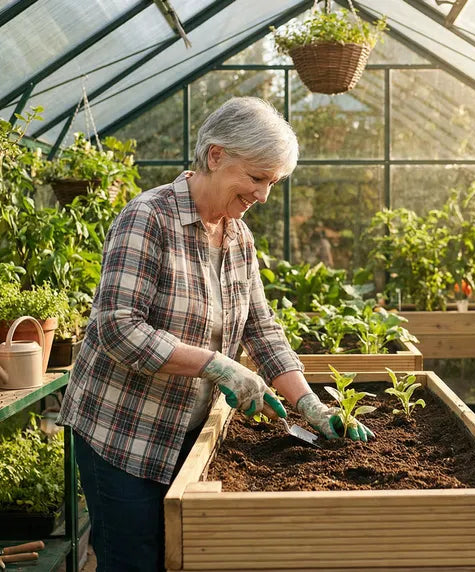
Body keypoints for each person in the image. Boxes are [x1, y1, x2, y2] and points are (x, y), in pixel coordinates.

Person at [57, 97, 374, 572]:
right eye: (258, 177)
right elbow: (115, 328)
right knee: (134, 561)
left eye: (273, 182)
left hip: (188, 430)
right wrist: (217, 364)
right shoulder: (149, 218)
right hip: (124, 434)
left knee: (183, 556)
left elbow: (261, 329)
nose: (264, 195)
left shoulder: (237, 236)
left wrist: (310, 404)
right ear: (215, 156)